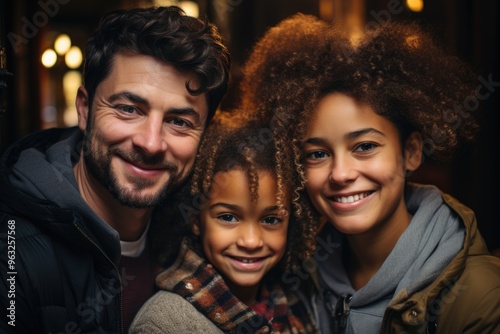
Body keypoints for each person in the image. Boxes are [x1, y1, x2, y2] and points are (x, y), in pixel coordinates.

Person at [239, 14, 500, 334]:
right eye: (318, 154)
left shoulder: (481, 296)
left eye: (364, 146)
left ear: (411, 152)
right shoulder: (295, 280)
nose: (340, 173)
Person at [0, 6, 230, 333]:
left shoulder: (202, 235)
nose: (151, 143)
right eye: (127, 109)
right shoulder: (12, 253)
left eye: (178, 122)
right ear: (84, 109)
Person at [129, 113, 319, 333]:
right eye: (228, 217)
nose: (251, 241)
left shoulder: (295, 303)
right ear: (195, 220)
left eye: (271, 219)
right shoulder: (164, 323)